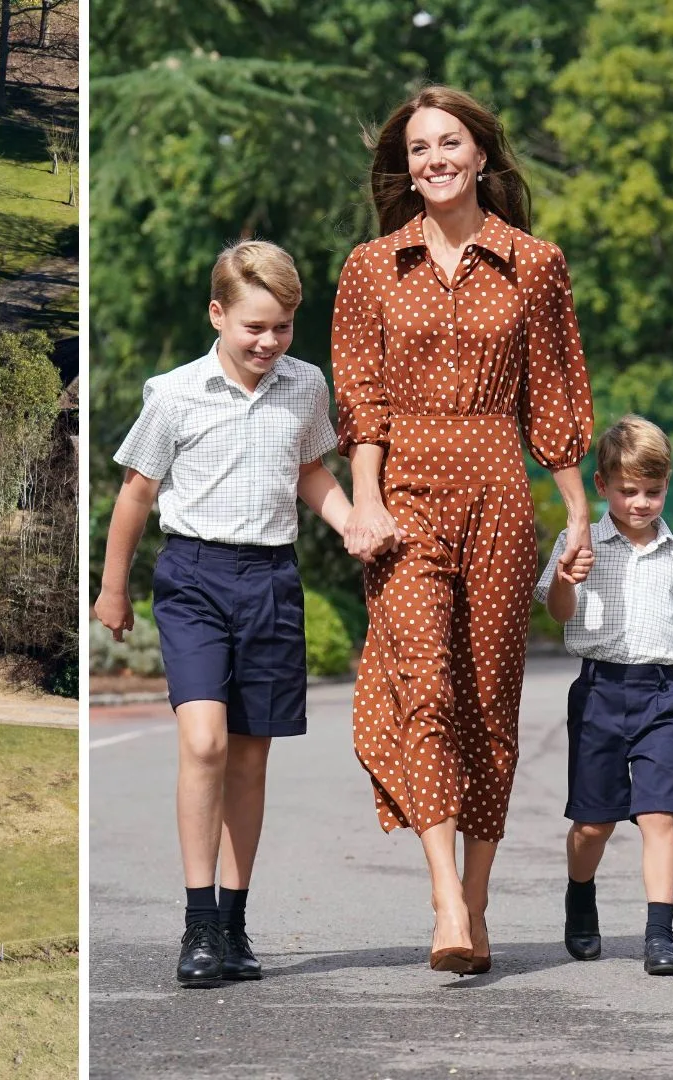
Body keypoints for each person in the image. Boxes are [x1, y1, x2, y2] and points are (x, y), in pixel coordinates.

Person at [333, 85, 595, 974]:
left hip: (497, 490)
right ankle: (445, 897)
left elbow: (553, 395)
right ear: (404, 169)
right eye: (418, 149)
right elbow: (360, 403)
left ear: (482, 155)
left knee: (488, 699)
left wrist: (577, 509)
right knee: (426, 687)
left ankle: (477, 900)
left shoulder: (536, 263)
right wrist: (364, 501)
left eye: (450, 143)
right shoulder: (372, 267)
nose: (434, 159)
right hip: (404, 496)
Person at [94, 239, 351, 988]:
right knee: (203, 742)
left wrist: (354, 522)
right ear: (218, 314)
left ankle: (235, 925)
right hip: (195, 577)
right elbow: (137, 494)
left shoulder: (305, 387)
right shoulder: (173, 393)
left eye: (282, 327)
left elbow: (310, 470)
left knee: (249, 753)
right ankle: (198, 923)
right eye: (254, 327)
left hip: (271, 578)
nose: (269, 342)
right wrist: (113, 589)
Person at [535, 416, 673, 976]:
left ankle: (659, 935)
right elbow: (558, 614)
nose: (641, 503)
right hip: (599, 692)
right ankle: (580, 895)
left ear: (666, 486)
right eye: (628, 491)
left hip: (661, 694)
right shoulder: (578, 543)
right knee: (594, 825)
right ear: (602, 487)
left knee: (661, 816)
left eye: (653, 491)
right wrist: (566, 577)